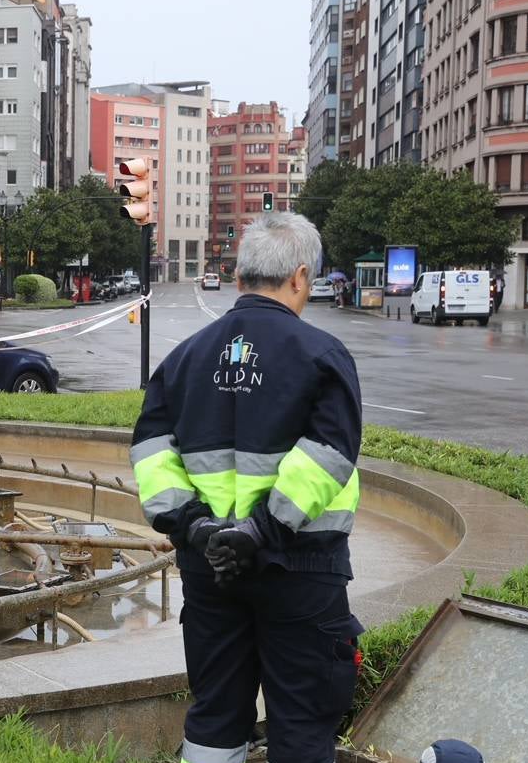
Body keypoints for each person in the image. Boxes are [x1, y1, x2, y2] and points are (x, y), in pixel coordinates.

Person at [130, 211, 364, 763]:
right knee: (302, 726)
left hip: (211, 569)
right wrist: (261, 531)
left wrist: (197, 526)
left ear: (238, 279)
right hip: (301, 571)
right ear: (301, 278)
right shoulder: (323, 357)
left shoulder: (183, 359)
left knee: (213, 719)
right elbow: (327, 458)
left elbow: (150, 453)